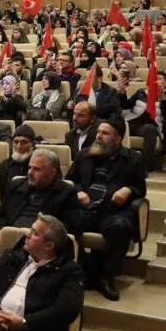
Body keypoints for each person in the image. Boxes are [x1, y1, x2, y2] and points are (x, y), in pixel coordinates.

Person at [0, 214, 84, 331]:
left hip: (34, 330)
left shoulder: (70, 271)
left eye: (35, 233)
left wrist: (24, 322)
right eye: (30, 230)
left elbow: (65, 310)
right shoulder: (13, 256)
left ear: (49, 245)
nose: (27, 235)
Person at [66, 118, 145, 301]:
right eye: (98, 132)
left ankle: (105, 275)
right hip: (85, 209)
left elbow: (140, 189)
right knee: (61, 222)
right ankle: (87, 269)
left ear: (117, 139)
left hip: (112, 211)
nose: (98, 136)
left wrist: (128, 190)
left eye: (104, 133)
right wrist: (78, 191)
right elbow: (71, 180)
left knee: (121, 226)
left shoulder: (133, 159)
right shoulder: (84, 154)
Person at [0, 149, 82, 248]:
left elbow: (70, 228)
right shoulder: (16, 185)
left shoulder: (67, 193)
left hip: (41, 247)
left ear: (52, 173)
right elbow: (1, 217)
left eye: (37, 169)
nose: (30, 173)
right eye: (29, 167)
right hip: (7, 241)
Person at [118, 71, 166, 168]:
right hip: (131, 123)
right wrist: (122, 92)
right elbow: (125, 105)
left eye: (159, 79)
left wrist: (162, 98)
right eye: (154, 78)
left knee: (150, 128)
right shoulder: (141, 92)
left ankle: (143, 167)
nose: (155, 81)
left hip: (148, 127)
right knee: (113, 122)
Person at [0, 124, 37, 196]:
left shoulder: (41, 165)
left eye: (24, 142)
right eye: (16, 142)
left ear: (33, 145)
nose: (19, 146)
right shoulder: (4, 166)